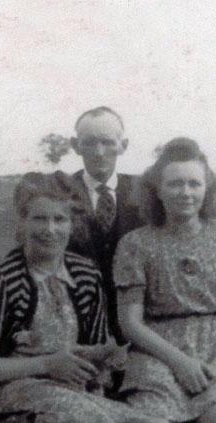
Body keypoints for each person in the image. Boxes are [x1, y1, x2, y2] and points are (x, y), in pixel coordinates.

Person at [0, 173, 165, 423]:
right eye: (39, 219)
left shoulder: (86, 274)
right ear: (22, 221)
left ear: (72, 223)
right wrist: (47, 364)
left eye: (59, 219)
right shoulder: (3, 280)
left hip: (74, 391)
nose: (50, 229)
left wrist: (103, 354)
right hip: (10, 391)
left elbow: (98, 347)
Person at [113, 138, 216, 423]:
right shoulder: (135, 243)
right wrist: (180, 363)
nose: (186, 193)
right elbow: (130, 323)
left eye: (195, 183)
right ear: (158, 190)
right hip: (157, 353)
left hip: (215, 351)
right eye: (175, 184)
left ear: (207, 188)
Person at [56, 106, 144, 343]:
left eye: (107, 142)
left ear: (123, 145)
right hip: (73, 322)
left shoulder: (144, 194)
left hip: (138, 323)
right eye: (89, 142)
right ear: (76, 146)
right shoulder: (59, 193)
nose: (99, 152)